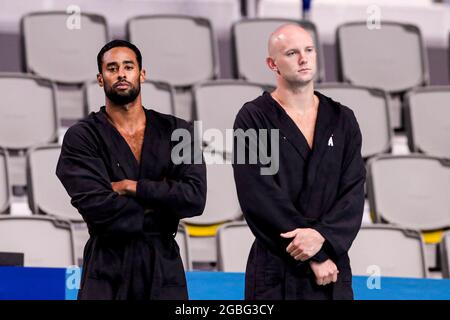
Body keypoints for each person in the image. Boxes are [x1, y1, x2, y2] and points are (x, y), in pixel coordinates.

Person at [56, 40, 206, 300]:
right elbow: (96, 205)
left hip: (163, 264)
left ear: (142, 74)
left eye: (128, 66)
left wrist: (132, 187)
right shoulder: (81, 136)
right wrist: (162, 197)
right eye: (112, 68)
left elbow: (194, 198)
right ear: (101, 79)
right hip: (107, 264)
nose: (121, 74)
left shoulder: (180, 131)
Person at [232, 24, 366, 300]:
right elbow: (258, 195)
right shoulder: (252, 119)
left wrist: (322, 239)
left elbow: (353, 192)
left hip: (333, 265)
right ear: (273, 64)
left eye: (308, 50)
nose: (303, 59)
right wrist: (314, 256)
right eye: (292, 53)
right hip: (276, 270)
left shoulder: (343, 119)